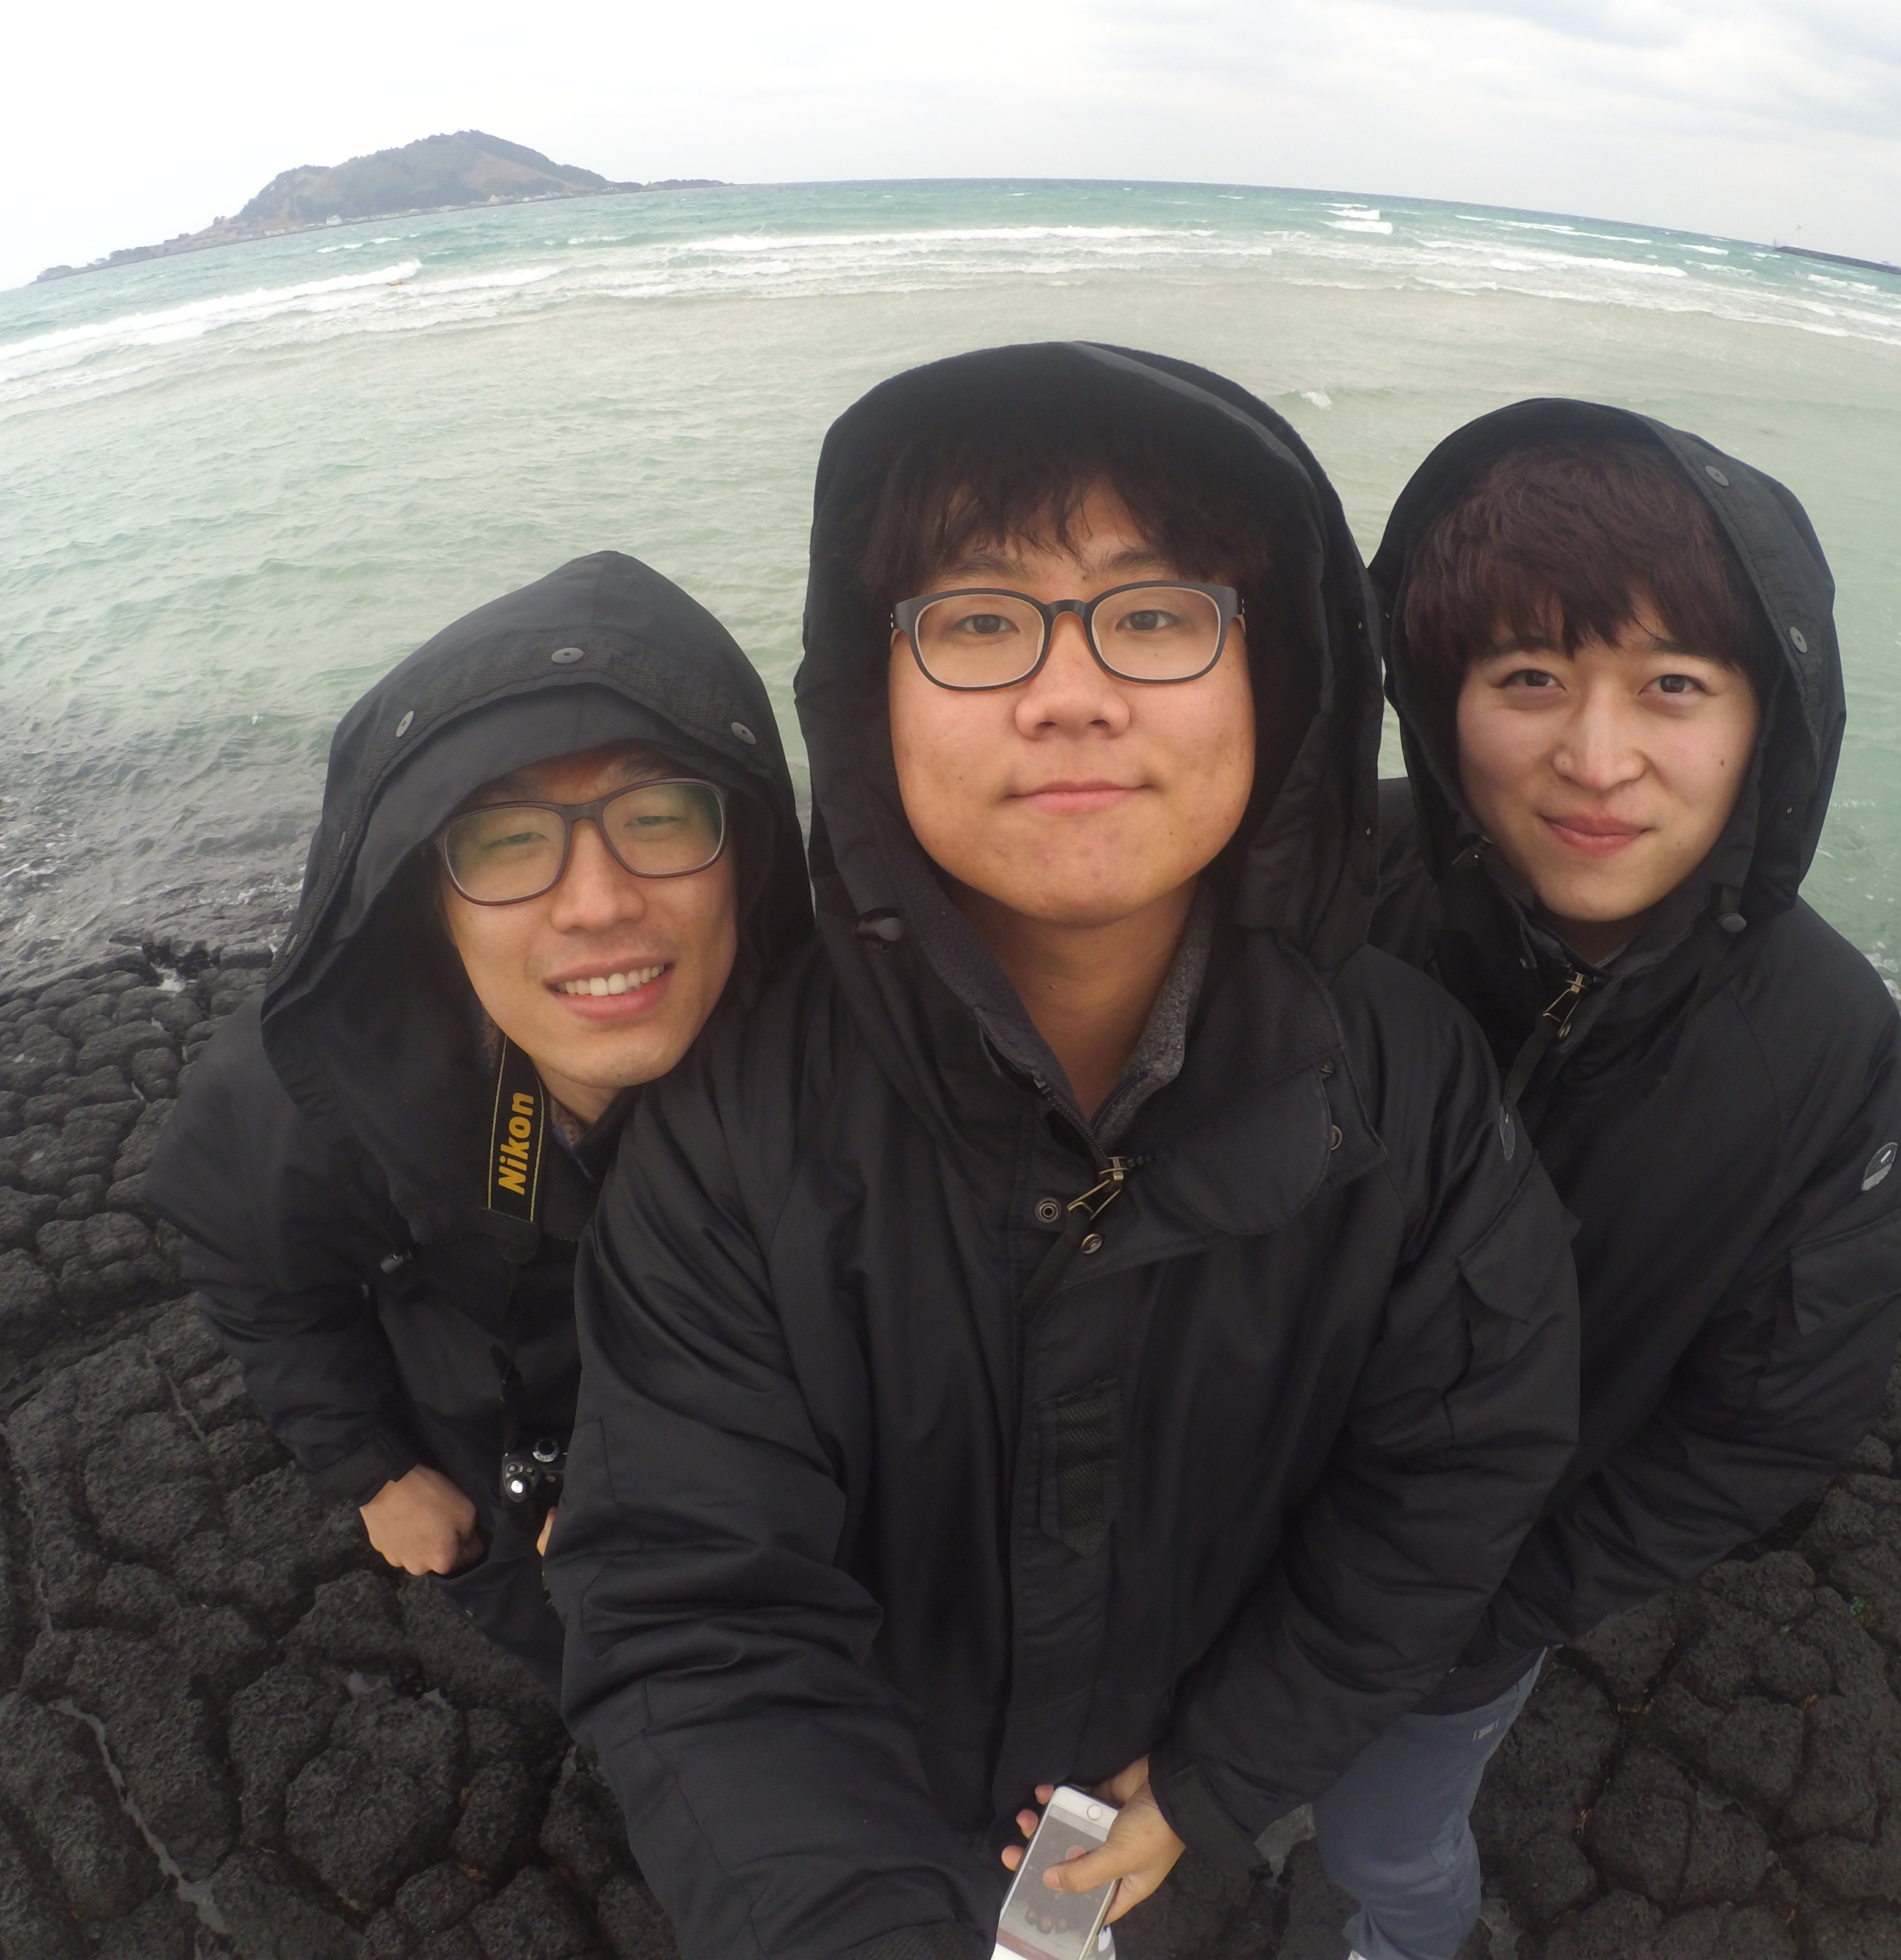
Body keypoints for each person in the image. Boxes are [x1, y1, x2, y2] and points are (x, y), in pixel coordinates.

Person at [545, 342, 1583, 1958]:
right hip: (882, 1815)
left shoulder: (1405, 1088)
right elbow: (703, 1612)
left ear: (1282, 679)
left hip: (1193, 1801)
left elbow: (1454, 1470)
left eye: (1155, 616)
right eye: (978, 621)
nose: (1072, 691)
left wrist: (1223, 1773)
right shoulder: (736, 1129)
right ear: (868, 690)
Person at [1304, 401, 1901, 1960]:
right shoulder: (1328, 889)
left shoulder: (1822, 1039)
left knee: (1386, 1845)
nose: (1598, 759)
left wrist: (1496, 1610)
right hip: (1213, 1551)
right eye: (1528, 678)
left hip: (1468, 1622)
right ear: (1435, 699)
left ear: (1771, 715)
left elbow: (1775, 1409)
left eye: (1675, 686)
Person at [146, 552, 811, 1693]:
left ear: (744, 856)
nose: (597, 902)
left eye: (659, 815)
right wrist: (372, 1470)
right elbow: (249, 1269)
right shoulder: (322, 1086)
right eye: (505, 840)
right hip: (491, 1452)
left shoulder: (834, 1062)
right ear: (430, 901)